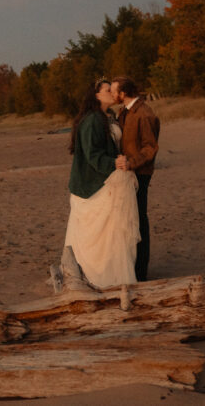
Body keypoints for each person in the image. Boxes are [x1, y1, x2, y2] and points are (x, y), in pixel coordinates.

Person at [63, 79, 140, 288]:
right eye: (107, 90)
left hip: (109, 175)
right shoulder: (92, 120)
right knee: (100, 231)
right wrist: (114, 162)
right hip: (93, 182)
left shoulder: (110, 116)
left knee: (114, 228)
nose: (112, 94)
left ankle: (117, 269)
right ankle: (98, 275)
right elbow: (92, 155)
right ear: (96, 95)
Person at [111, 76, 160, 282]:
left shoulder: (145, 113)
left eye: (114, 91)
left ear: (123, 93)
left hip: (140, 173)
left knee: (139, 220)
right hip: (127, 174)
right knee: (129, 220)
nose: (112, 94)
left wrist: (132, 163)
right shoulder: (124, 112)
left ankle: (141, 272)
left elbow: (150, 148)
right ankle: (130, 266)